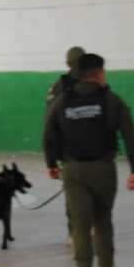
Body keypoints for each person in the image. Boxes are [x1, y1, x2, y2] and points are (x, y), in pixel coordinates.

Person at [44, 53, 134, 267]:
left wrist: (52, 164)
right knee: (102, 217)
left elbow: (49, 133)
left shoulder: (62, 101)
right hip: (103, 169)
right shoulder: (111, 100)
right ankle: (105, 266)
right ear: (98, 73)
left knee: (79, 222)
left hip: (73, 169)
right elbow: (129, 135)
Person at [47, 46, 87, 246]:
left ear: (67, 63)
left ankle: (74, 232)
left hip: (68, 151)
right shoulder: (95, 83)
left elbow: (50, 124)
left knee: (73, 193)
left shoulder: (57, 87)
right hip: (94, 150)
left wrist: (52, 158)